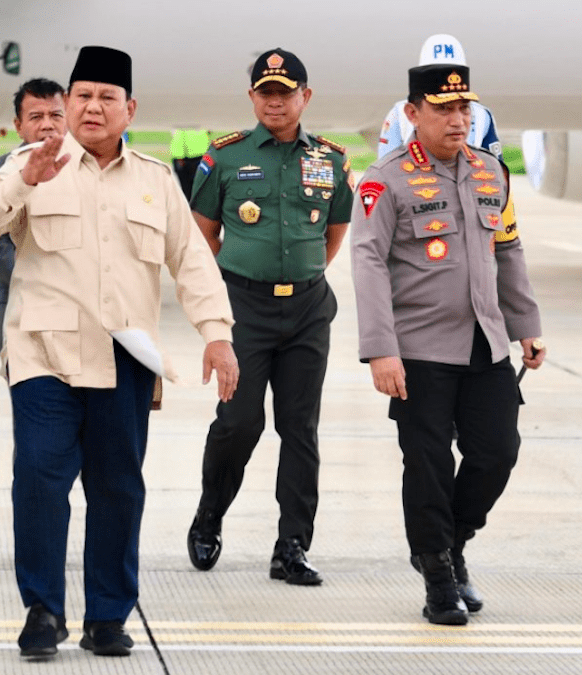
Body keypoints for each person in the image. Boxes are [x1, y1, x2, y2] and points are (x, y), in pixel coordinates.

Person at [0, 45, 237, 659]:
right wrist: (22, 180)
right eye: (81, 96)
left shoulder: (154, 179)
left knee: (117, 488)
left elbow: (191, 261)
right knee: (37, 480)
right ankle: (43, 610)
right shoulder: (33, 163)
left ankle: (107, 615)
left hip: (125, 360)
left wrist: (216, 334)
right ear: (67, 104)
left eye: (106, 97)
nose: (92, 107)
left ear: (128, 108)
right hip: (42, 355)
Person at [351, 62, 545, 626]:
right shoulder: (384, 179)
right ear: (413, 114)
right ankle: (439, 576)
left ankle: (451, 543)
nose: (458, 120)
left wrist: (526, 324)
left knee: (496, 454)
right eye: (443, 109)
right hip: (418, 351)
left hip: (486, 345)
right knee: (429, 464)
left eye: (464, 109)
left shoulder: (491, 172)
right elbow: (366, 263)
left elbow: (508, 250)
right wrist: (380, 349)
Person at [185, 48, 352, 587]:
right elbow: (201, 236)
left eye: (286, 92)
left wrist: (299, 278)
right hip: (244, 309)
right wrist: (224, 303)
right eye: (265, 92)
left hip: (307, 309)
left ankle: (293, 546)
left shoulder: (330, 159)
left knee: (300, 429)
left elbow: (333, 235)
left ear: (306, 96)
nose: (275, 102)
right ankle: (210, 514)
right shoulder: (224, 157)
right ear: (252, 97)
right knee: (239, 423)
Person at [377, 34, 521, 256]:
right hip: (419, 209)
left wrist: (501, 234)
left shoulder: (482, 115)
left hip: (470, 209)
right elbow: (383, 174)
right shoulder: (399, 113)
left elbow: (499, 179)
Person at [0, 77, 66, 355]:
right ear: (18, 125)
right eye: (36, 117)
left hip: (76, 308)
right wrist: (45, 283)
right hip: (14, 302)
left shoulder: (85, 169)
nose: (47, 124)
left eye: (56, 115)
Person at [169, 127, 208, 201]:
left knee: (190, 189)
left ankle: (191, 207)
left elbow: (178, 137)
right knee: (194, 188)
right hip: (190, 157)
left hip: (192, 156)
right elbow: (178, 137)